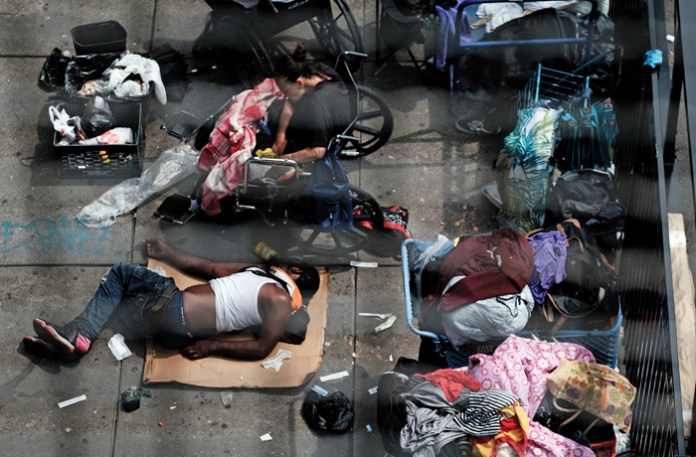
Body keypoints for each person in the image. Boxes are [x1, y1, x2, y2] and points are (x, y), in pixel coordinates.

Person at [22, 239, 320, 362]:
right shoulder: (260, 274)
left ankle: (79, 333)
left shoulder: (280, 298)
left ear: (295, 271)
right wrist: (168, 252)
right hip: (168, 327)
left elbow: (262, 348)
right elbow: (210, 268)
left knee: (121, 274)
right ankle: (75, 341)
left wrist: (210, 347)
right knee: (121, 302)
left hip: (172, 311)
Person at [268, 43, 353, 164]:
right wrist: (281, 136)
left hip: (329, 136)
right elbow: (290, 103)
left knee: (274, 112)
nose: (285, 96)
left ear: (299, 83)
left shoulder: (318, 103)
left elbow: (317, 152)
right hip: (333, 111)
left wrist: (284, 159)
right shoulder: (313, 69)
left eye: (286, 91)